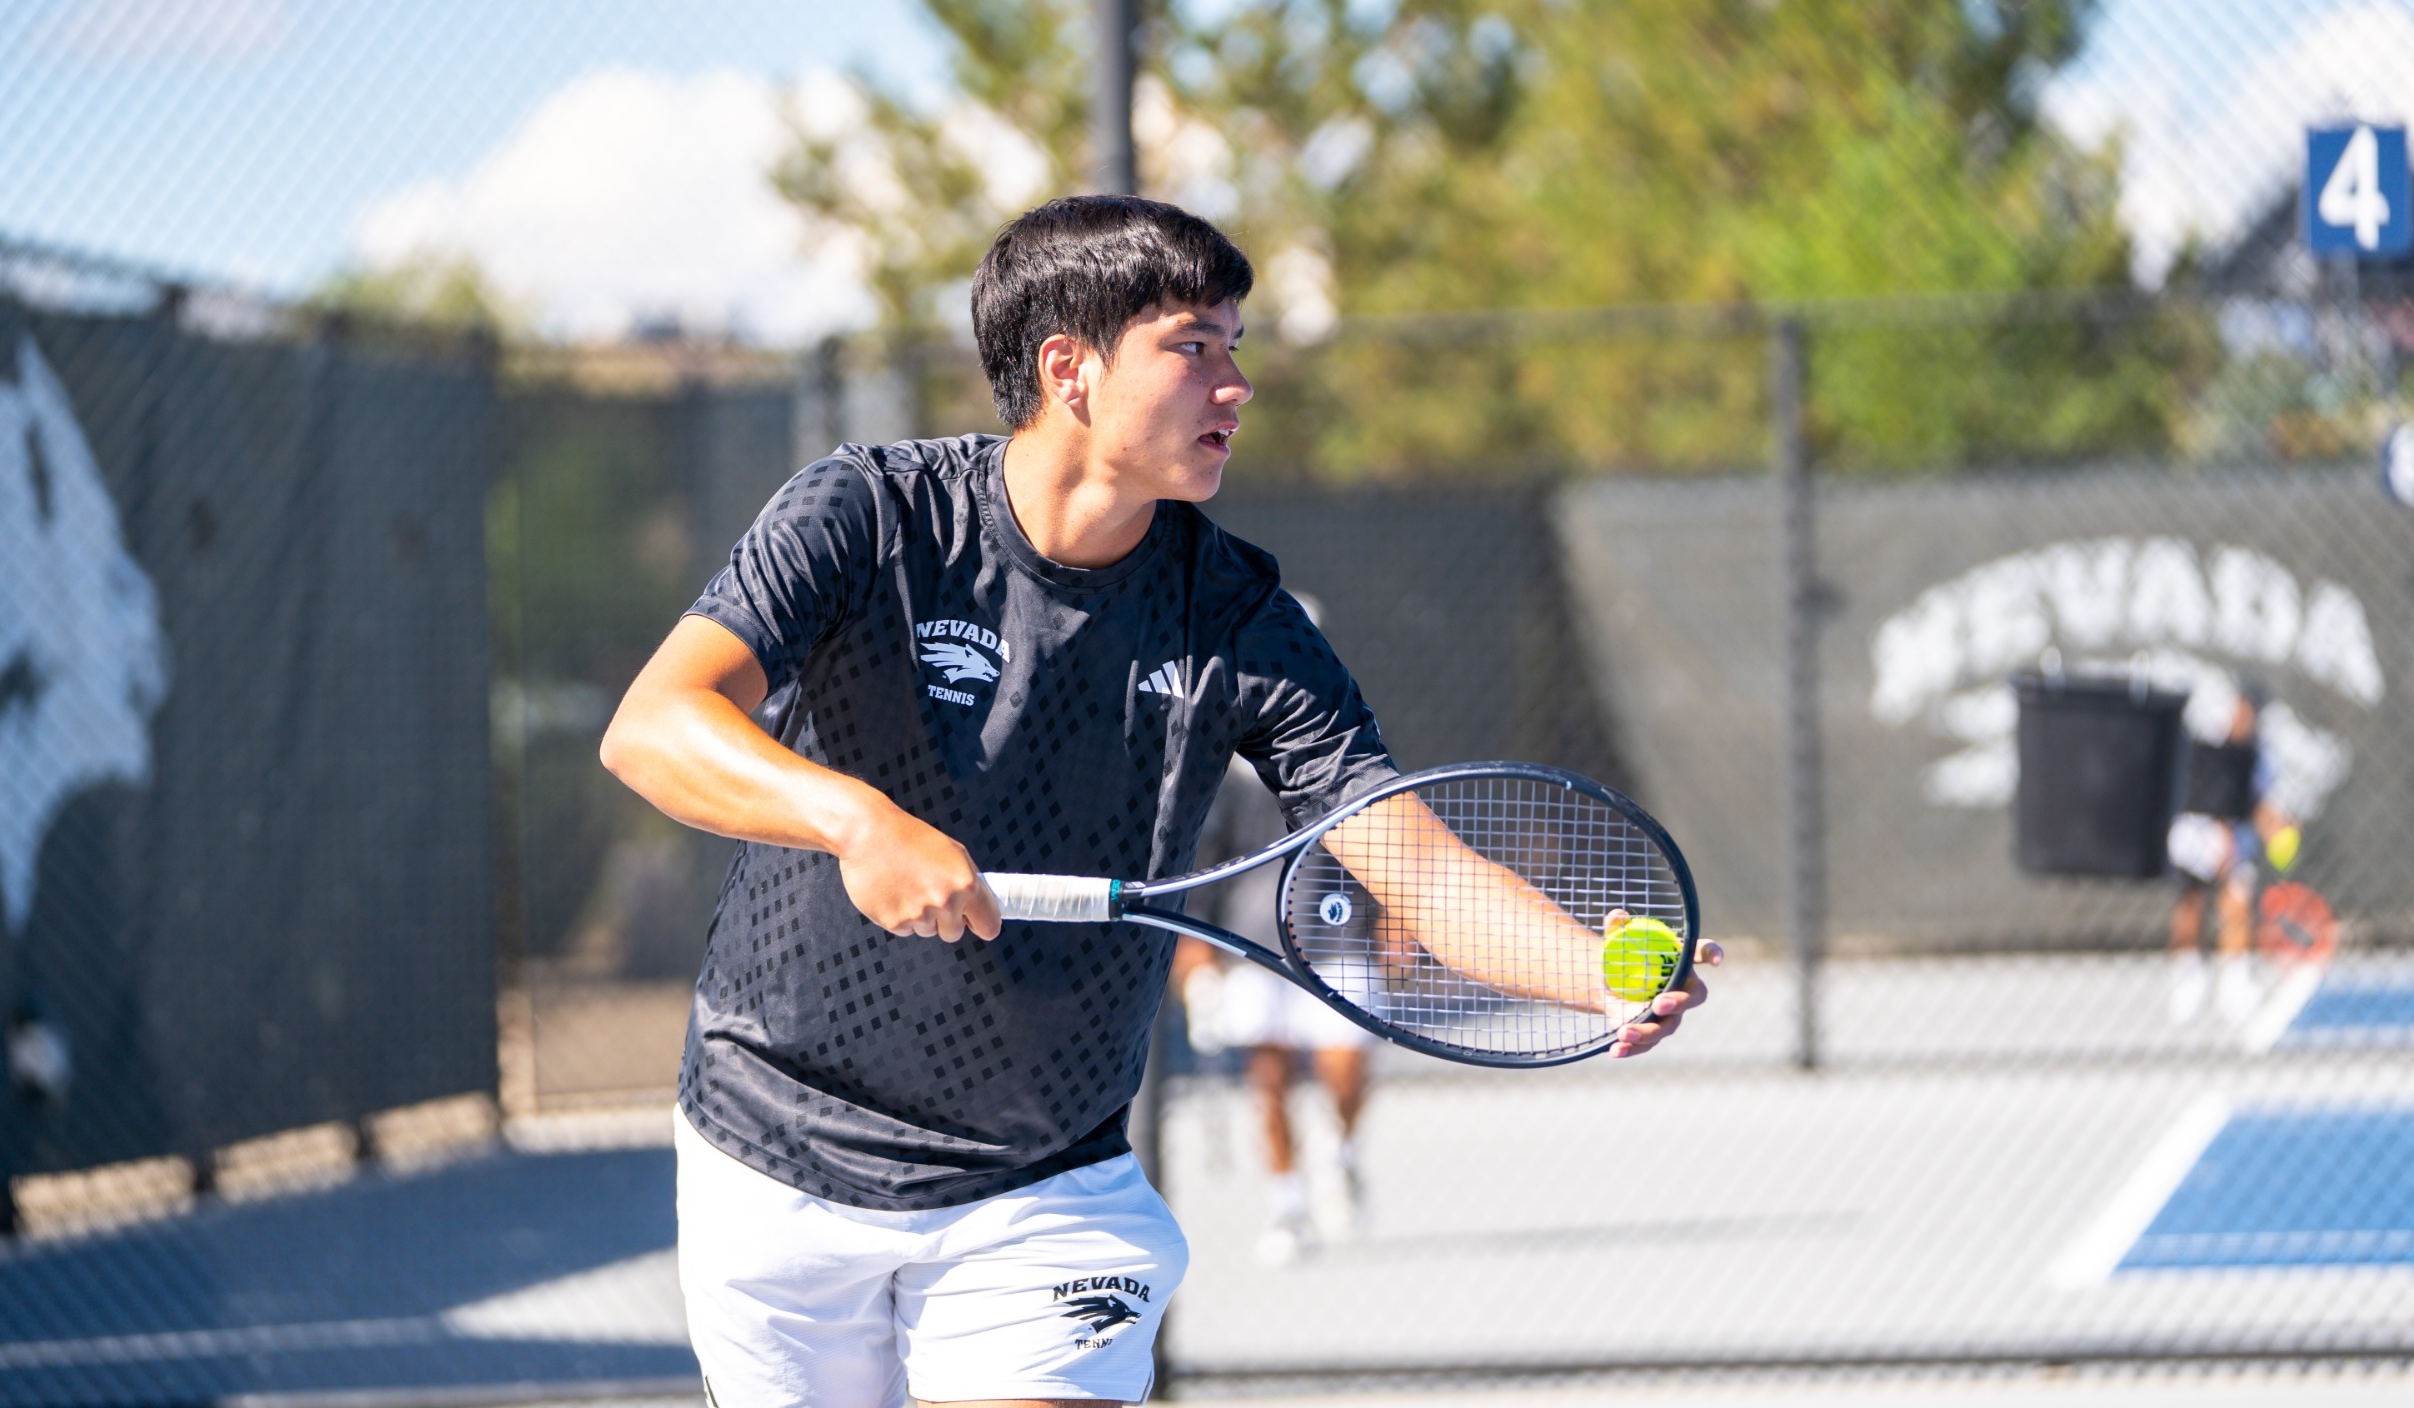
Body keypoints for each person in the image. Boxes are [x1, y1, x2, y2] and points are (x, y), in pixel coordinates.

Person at [601, 195, 1720, 1408]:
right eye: (1196, 347)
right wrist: (854, 820)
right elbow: (656, 724)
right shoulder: (868, 516)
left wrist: (1591, 967)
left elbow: (1421, 866)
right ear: (1068, 369)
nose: (1235, 384)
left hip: (1043, 1185)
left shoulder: (1235, 614)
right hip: (773, 1155)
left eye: (1235, 347)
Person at [1174, 753, 1373, 1267]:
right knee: (1269, 1083)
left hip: (1338, 939)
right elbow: (1201, 865)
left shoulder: (1342, 752)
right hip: (1252, 945)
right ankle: (1287, 1208)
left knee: (1345, 1068)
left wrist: (1395, 925)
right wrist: (1197, 960)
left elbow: (1385, 852)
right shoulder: (1225, 779)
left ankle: (1338, 1151)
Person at [2166, 678, 2301, 1024]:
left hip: (2235, 839)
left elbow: (2261, 803)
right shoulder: (2200, 742)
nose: (2245, 717)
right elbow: (2188, 791)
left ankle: (2234, 984)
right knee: (2189, 905)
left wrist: (2276, 825)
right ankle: (2187, 981)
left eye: (2251, 712)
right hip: (2193, 834)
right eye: (2240, 709)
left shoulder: (2259, 756)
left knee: (2237, 904)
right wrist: (2214, 830)